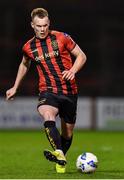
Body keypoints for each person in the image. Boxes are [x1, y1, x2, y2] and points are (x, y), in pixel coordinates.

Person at [6, 8, 87, 173]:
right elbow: (24, 63)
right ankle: (58, 152)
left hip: (69, 91)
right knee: (47, 114)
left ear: (49, 23)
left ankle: (61, 158)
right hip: (47, 90)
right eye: (39, 26)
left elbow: (81, 56)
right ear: (32, 25)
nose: (42, 29)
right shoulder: (28, 47)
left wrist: (72, 70)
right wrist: (15, 86)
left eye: (45, 25)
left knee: (68, 133)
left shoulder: (62, 37)